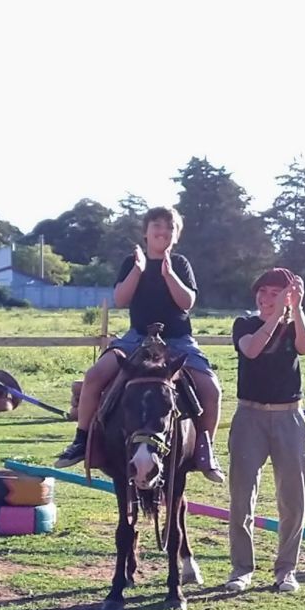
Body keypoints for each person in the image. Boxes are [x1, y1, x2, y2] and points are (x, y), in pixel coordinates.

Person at [55, 206, 224, 482]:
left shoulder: (180, 264)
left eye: (169, 227)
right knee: (94, 376)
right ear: (145, 232)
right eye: (156, 225)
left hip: (177, 340)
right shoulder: (131, 262)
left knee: (211, 388)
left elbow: (187, 303)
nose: (162, 231)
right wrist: (138, 270)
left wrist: (169, 274)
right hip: (136, 338)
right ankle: (83, 440)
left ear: (176, 235)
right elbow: (121, 299)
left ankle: (205, 450)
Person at [226, 268, 305, 594]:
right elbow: (251, 349)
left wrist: (298, 309)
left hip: (289, 417)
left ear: (288, 296)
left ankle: (286, 570)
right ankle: (241, 569)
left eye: (275, 293)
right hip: (250, 415)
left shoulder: (293, 327)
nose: (265, 298)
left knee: (293, 499)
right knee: (241, 496)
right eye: (262, 292)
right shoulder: (244, 324)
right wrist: (276, 315)